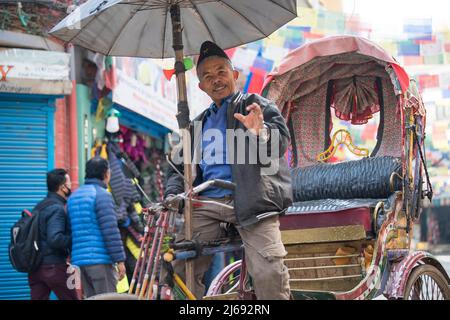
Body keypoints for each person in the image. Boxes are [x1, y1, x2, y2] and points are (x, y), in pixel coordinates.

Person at [165, 41, 293, 300]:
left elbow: (279, 144)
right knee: (177, 266)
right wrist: (174, 194)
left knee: (269, 272)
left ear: (234, 75)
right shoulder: (196, 125)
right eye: (208, 76)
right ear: (201, 86)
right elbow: (177, 168)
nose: (216, 80)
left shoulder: (256, 106)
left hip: (254, 200)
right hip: (208, 203)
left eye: (221, 71)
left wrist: (261, 133)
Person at [67, 157, 126, 298]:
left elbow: (69, 231)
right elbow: (110, 231)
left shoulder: (73, 197)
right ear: (106, 173)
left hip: (80, 263)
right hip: (100, 261)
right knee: (107, 298)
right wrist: (120, 260)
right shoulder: (102, 195)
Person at [28, 169, 79, 300]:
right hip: (53, 267)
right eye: (69, 183)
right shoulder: (57, 208)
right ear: (62, 187)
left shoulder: (39, 207)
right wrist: (75, 239)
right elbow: (55, 239)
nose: (71, 186)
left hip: (35, 268)